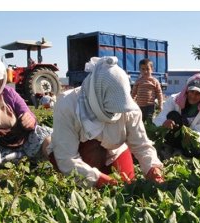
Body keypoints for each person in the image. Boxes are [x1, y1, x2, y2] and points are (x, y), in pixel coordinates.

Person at [49, 56, 164, 188]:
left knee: (127, 184)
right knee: (89, 181)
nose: (116, 113)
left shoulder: (128, 108)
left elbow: (141, 144)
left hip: (114, 149)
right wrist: (98, 179)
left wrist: (152, 168)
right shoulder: (68, 104)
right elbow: (66, 158)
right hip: (78, 153)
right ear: (98, 95)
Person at [153, 73, 200, 159]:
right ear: (187, 91)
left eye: (198, 93)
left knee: (192, 151)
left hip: (191, 140)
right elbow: (161, 117)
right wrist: (164, 123)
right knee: (173, 115)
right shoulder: (174, 100)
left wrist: (190, 136)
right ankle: (172, 147)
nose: (193, 96)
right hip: (174, 136)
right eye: (191, 92)